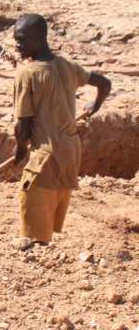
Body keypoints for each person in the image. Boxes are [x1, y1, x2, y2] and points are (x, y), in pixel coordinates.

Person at [12, 13, 111, 247]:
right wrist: (95, 104)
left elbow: (23, 126)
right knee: (50, 205)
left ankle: (39, 257)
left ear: (41, 38)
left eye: (23, 40)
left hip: (46, 156)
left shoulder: (28, 74)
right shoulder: (68, 66)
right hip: (70, 152)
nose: (18, 45)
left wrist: (20, 148)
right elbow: (105, 84)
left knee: (31, 207)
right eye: (16, 40)